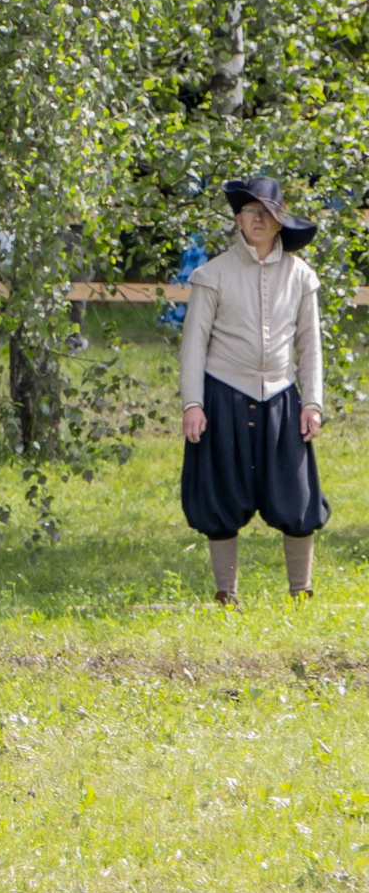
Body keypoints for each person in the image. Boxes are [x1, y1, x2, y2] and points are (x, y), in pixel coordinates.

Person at [180, 175, 330, 602]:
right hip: (223, 395)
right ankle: (226, 594)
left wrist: (312, 403)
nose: (258, 219)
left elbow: (309, 346)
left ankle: (301, 592)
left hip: (282, 397)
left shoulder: (301, 276)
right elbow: (193, 348)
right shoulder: (212, 275)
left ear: (280, 221)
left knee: (297, 496)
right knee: (221, 497)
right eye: (250, 211)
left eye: (266, 212)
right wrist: (193, 403)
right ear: (238, 220)